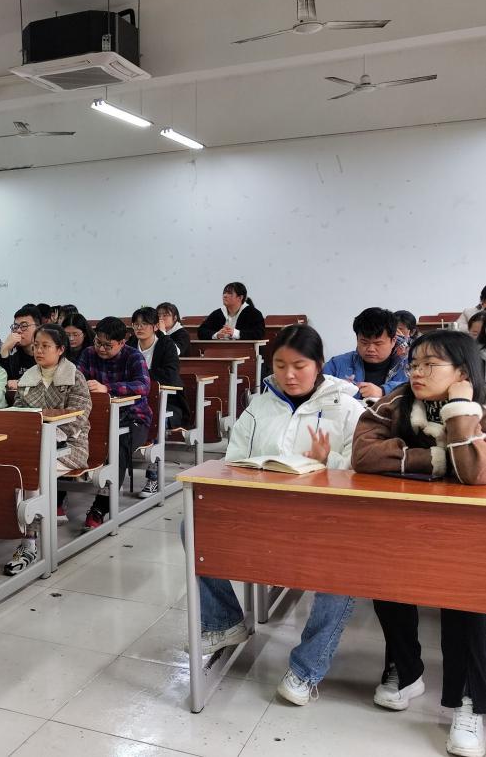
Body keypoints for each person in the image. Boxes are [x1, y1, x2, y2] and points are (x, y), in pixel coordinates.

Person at [188, 324, 364, 706]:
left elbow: (364, 473)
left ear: (319, 364)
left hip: (326, 522)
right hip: (265, 513)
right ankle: (224, 622)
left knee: (344, 570)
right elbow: (234, 458)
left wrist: (328, 461)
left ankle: (307, 668)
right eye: (280, 365)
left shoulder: (349, 408)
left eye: (299, 366)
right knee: (196, 525)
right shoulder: (260, 404)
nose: (288, 375)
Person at [352, 330, 486, 757]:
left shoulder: (481, 406)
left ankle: (470, 702)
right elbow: (364, 453)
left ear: (462, 372)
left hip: (470, 533)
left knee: (468, 601)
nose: (417, 372)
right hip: (408, 526)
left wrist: (460, 411)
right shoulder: (398, 400)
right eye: (414, 363)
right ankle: (406, 671)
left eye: (430, 365)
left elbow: (475, 473)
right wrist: (439, 460)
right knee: (388, 581)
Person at [7, 323, 91, 572]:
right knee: (12, 473)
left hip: (70, 446)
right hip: (33, 446)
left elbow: (78, 417)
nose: (39, 351)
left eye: (45, 346)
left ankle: (29, 543)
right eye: (36, 346)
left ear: (61, 349)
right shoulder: (28, 377)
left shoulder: (74, 377)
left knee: (33, 474)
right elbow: (19, 413)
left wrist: (46, 438)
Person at [76, 317, 153, 529]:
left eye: (108, 345)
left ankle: (101, 506)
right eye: (98, 342)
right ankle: (58, 499)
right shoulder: (88, 354)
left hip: (133, 419)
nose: (101, 349)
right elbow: (76, 379)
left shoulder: (133, 356)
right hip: (97, 419)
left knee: (118, 445)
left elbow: (143, 386)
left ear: (122, 342)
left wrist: (107, 388)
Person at [129, 307, 190, 495]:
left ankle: (153, 477)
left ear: (155, 326)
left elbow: (170, 375)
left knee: (155, 419)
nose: (139, 328)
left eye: (144, 324)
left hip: (168, 404)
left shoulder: (166, 345)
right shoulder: (130, 345)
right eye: (136, 324)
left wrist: (140, 376)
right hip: (133, 402)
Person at [323, 307, 408, 401]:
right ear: (357, 339)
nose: (371, 349)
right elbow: (318, 388)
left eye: (378, 343)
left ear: (393, 341)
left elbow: (412, 388)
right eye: (364, 342)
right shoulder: (336, 365)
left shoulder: (408, 366)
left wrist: (383, 391)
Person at [197, 282, 265, 341]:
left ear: (240, 298)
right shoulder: (218, 313)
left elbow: (259, 334)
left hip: (244, 350)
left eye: (229, 293)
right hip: (220, 350)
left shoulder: (253, 314)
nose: (225, 296)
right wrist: (217, 335)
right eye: (224, 293)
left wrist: (236, 333)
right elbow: (201, 331)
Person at [0, 305, 42, 387]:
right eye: (16, 326)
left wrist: (20, 383)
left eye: (24, 326)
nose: (18, 330)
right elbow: (4, 383)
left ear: (38, 328)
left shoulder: (46, 353)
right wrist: (4, 351)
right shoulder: (13, 354)